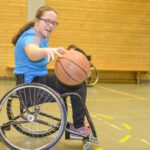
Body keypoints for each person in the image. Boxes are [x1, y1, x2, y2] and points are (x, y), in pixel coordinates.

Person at [12, 6, 91, 136]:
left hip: (38, 81)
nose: (51, 25)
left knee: (75, 82)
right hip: (30, 88)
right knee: (77, 85)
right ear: (37, 21)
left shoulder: (43, 36)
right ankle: (78, 126)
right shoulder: (33, 35)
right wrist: (48, 51)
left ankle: (78, 125)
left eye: (54, 23)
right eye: (47, 21)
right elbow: (32, 52)